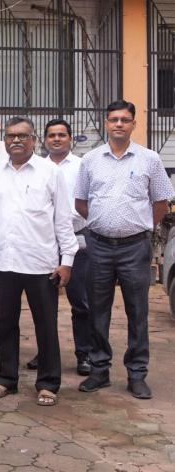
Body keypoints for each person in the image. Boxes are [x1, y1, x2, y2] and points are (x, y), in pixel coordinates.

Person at [75, 100, 175, 400]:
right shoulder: (90, 160)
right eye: (114, 119)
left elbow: (160, 202)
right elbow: (81, 202)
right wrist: (103, 223)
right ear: (106, 123)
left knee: (137, 312)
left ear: (133, 124)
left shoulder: (149, 160)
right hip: (99, 247)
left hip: (135, 247)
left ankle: (136, 373)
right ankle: (99, 369)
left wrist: (140, 225)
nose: (119, 124)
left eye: (125, 119)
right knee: (97, 311)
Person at [0, 116, 77, 407]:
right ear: (4, 140)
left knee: (45, 324)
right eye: (10, 136)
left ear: (34, 140)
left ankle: (48, 383)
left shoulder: (50, 172)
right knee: (6, 323)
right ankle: (6, 379)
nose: (16, 141)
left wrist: (67, 259)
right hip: (5, 263)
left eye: (22, 136)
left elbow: (63, 219)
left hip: (41, 264)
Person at [39, 118, 95, 377]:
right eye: (52, 135)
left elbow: (91, 200)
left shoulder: (83, 166)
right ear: (45, 139)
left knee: (81, 302)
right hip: (44, 244)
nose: (57, 139)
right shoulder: (37, 167)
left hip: (77, 241)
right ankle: (45, 353)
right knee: (43, 304)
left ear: (70, 138)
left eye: (62, 134)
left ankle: (84, 354)